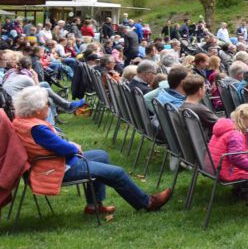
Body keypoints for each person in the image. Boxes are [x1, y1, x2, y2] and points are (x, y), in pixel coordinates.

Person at [12, 86, 172, 216]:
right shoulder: (37, 127)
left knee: (101, 155)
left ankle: (94, 205)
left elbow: (55, 146)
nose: (49, 106)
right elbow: (65, 150)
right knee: (118, 173)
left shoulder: (22, 121)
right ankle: (148, 203)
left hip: (51, 162)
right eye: (47, 103)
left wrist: (70, 146)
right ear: (37, 109)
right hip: (56, 168)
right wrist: (74, 146)